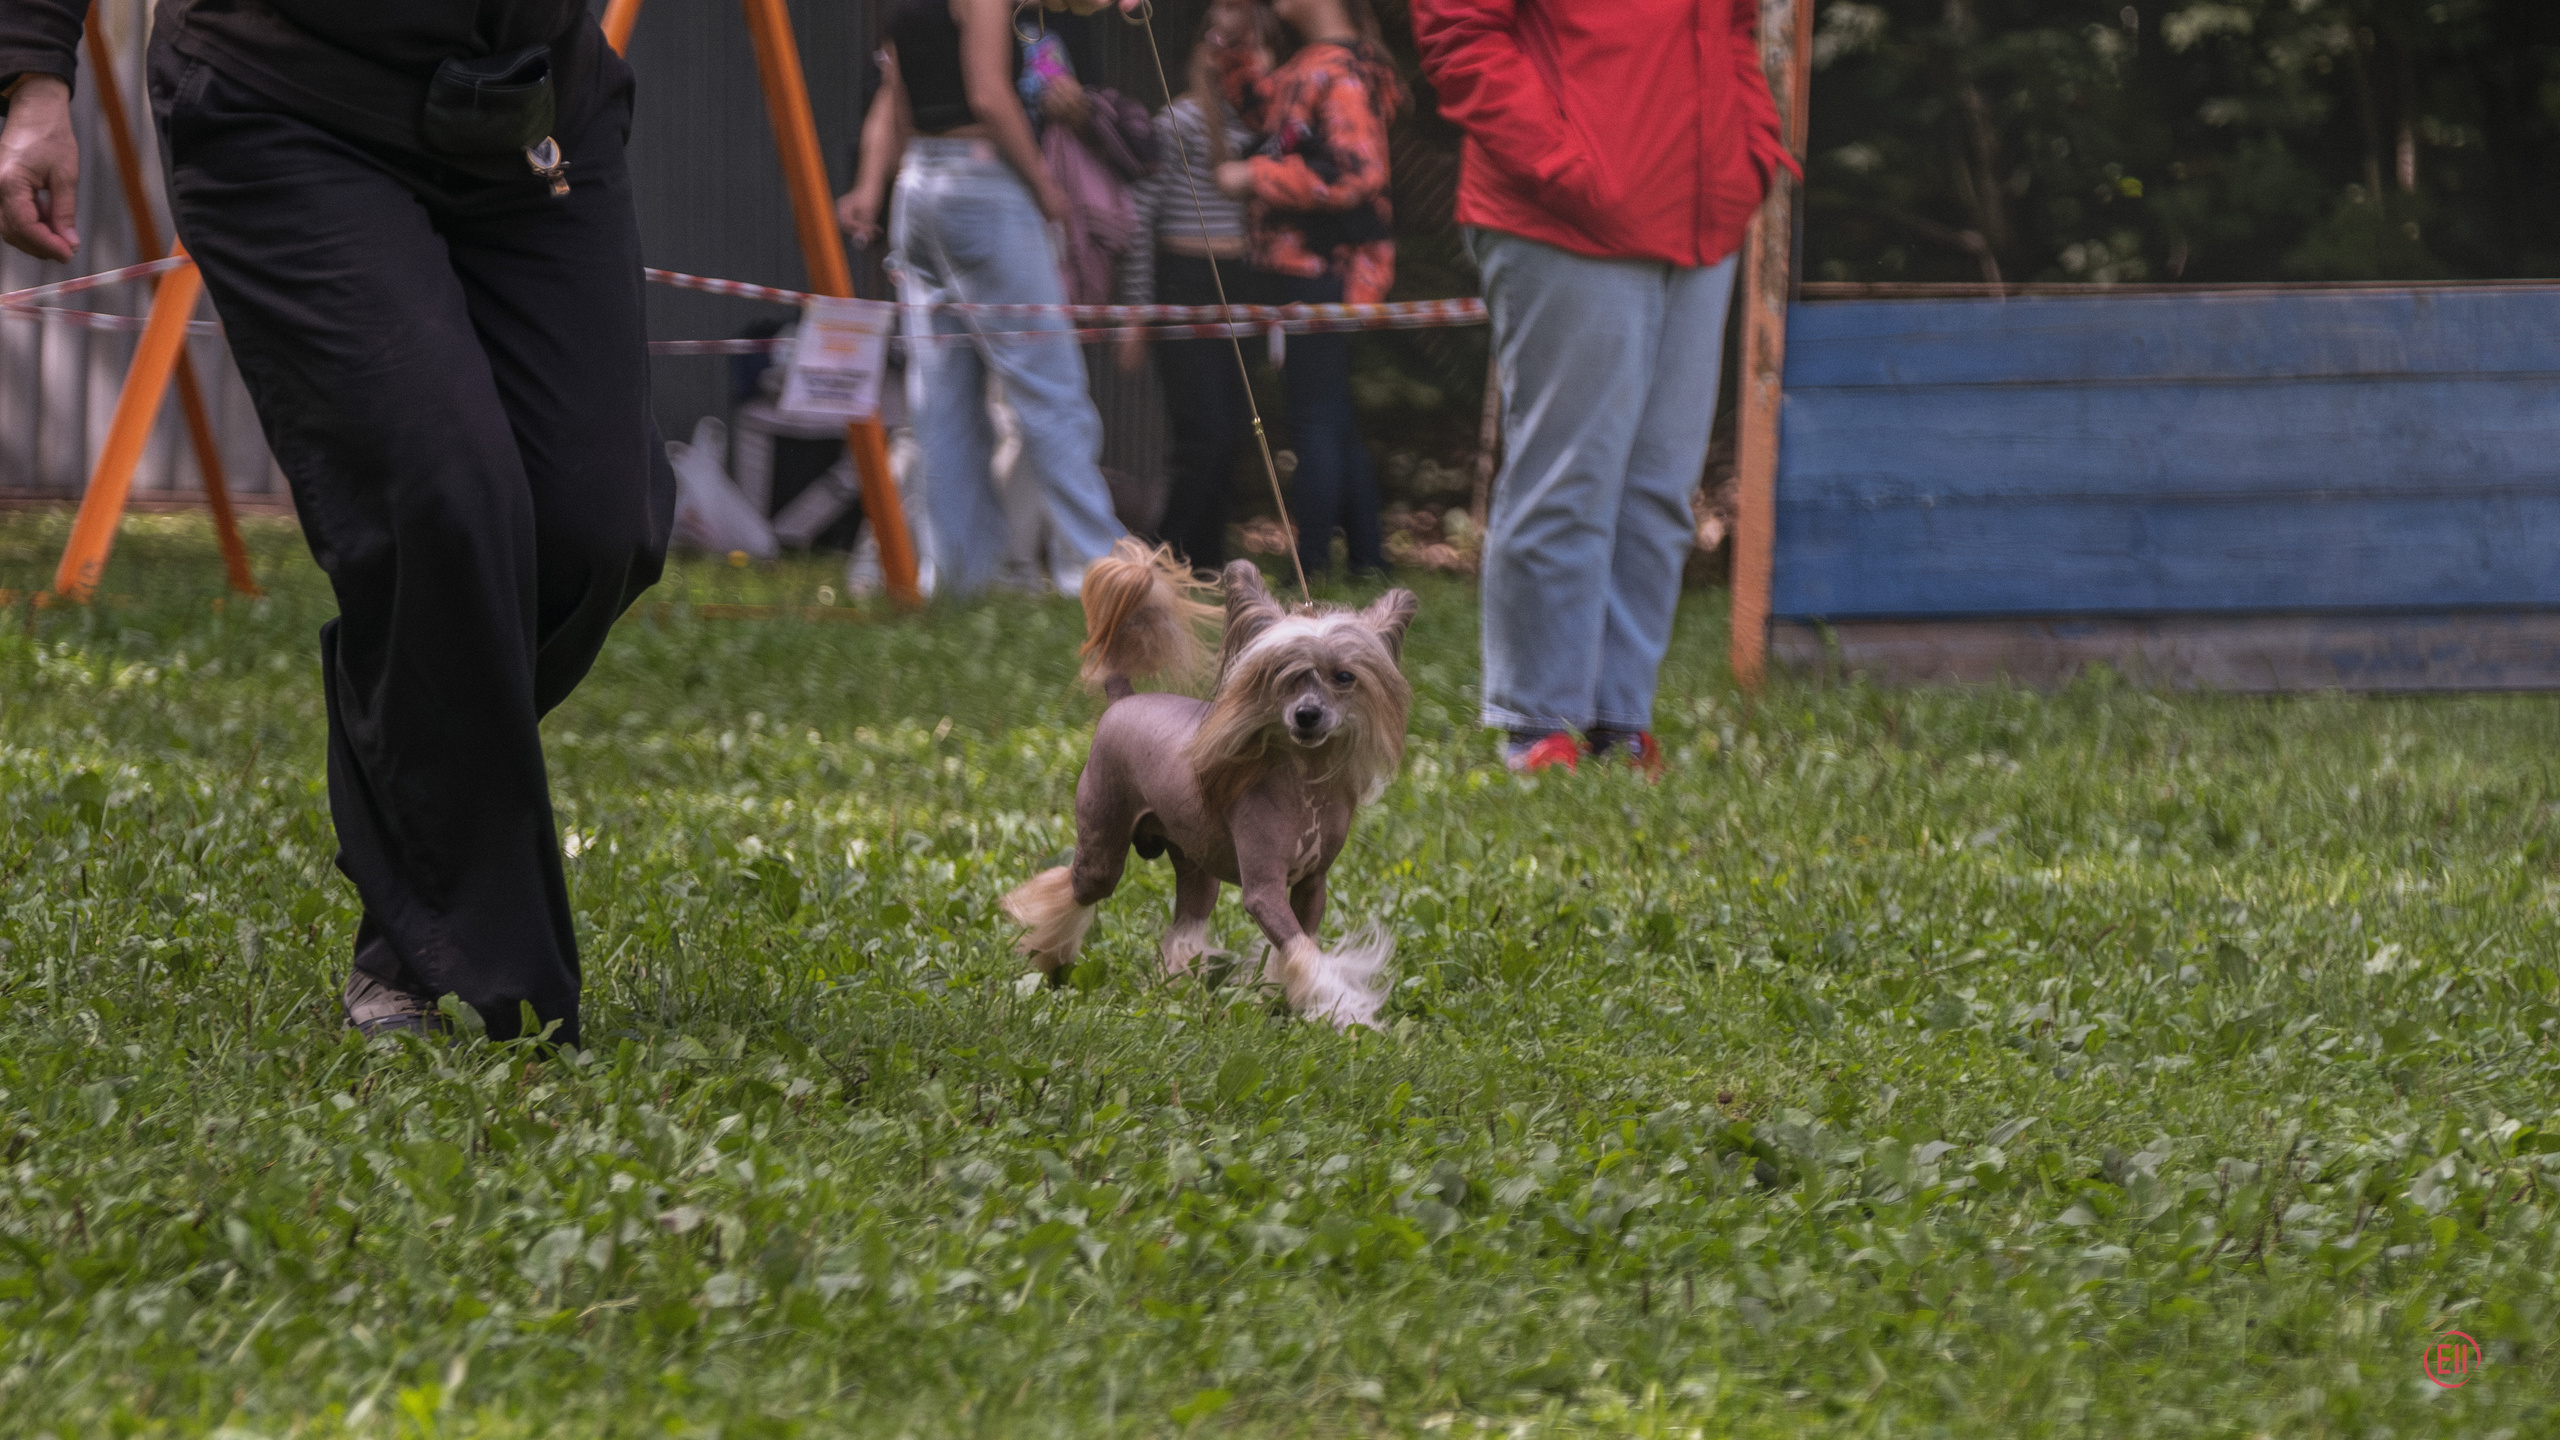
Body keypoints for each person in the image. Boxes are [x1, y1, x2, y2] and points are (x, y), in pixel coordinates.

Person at [0, 2, 674, 1044]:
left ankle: (418, 841)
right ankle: (480, 981)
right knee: (442, 499)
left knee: (596, 528)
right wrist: (30, 72)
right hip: (286, 95)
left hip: (527, 97)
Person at [1412, 0, 1795, 774]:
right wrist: (1568, 163)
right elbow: (1459, 33)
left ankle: (1620, 719)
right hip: (1563, 215)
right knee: (1570, 473)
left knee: (1660, 484)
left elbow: (1731, 26)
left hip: (1701, 210)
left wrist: (1750, 149)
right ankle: (1536, 722)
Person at [835, 0, 1127, 599]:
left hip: (917, 189)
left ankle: (957, 579)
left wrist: (870, 186)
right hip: (983, 182)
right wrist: (1048, 191)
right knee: (1053, 393)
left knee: (942, 402)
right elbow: (990, 96)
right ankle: (1100, 574)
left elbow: (894, 96)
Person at [1210, 0, 1401, 583]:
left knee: (1313, 417)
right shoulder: (1308, 66)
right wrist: (1235, 45)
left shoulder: (1339, 72)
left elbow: (1358, 171)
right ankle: (1368, 558)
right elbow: (1262, 113)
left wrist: (1254, 177)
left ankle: (1309, 565)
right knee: (1330, 414)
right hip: (1299, 269)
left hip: (1323, 270)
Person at [1113, 0, 1269, 575]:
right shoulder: (1172, 123)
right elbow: (1141, 220)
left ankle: (1208, 559)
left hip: (1239, 280)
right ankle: (1164, 554)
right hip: (1184, 277)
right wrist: (1137, 313)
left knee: (1230, 433)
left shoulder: (1251, 130)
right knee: (1199, 435)